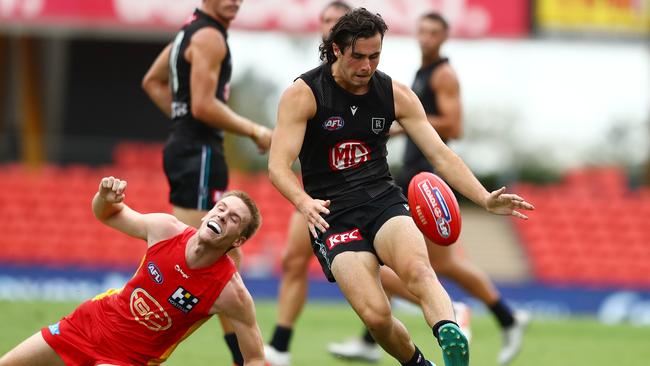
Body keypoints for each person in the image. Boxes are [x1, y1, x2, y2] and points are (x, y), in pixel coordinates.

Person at [268, 7, 534, 366]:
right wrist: (302, 201)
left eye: (374, 56)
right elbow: (277, 166)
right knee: (376, 316)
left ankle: (447, 333)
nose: (366, 66)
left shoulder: (396, 94)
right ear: (336, 50)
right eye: (357, 56)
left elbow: (441, 155)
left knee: (419, 271)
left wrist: (484, 198)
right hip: (333, 216)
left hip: (383, 201)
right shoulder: (304, 94)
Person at [0, 176, 265, 366]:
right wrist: (103, 198)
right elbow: (108, 214)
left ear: (237, 241)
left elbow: (254, 358)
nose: (222, 216)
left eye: (233, 219)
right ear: (207, 214)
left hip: (126, 360)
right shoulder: (166, 229)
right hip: (85, 325)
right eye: (221, 209)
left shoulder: (231, 293)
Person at [142, 0, 272, 364]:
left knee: (221, 255)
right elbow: (202, 106)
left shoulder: (187, 32)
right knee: (197, 255)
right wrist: (256, 130)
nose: (235, 2)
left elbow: (152, 82)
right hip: (199, 153)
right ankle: (135, 337)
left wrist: (183, 122)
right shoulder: (211, 36)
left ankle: (241, 356)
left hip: (188, 148)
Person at [263, 2, 351, 366]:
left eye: (338, 23)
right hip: (315, 194)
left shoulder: (361, 78)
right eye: (326, 21)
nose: (330, 27)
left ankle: (441, 304)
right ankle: (280, 347)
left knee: (364, 268)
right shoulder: (309, 84)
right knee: (293, 260)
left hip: (354, 193)